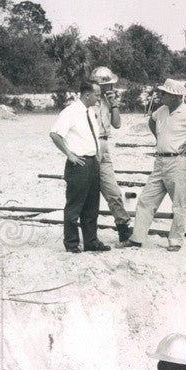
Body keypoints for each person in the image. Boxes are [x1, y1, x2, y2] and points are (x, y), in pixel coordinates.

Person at [122, 79, 186, 252]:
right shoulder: (162, 110)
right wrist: (158, 138)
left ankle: (175, 241)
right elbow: (152, 120)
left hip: (177, 163)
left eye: (164, 93)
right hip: (160, 162)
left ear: (174, 96)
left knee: (179, 204)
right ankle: (137, 238)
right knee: (146, 200)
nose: (161, 95)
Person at [49, 87, 111, 253]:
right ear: (87, 94)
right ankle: (71, 243)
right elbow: (55, 134)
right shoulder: (70, 111)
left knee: (92, 207)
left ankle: (91, 241)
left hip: (92, 162)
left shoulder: (90, 111)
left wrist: (96, 155)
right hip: (79, 164)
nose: (99, 98)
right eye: (97, 95)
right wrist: (69, 154)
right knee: (74, 206)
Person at [90, 66, 133, 243]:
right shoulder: (88, 102)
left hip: (104, 145)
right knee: (88, 194)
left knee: (112, 191)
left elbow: (117, 124)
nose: (111, 88)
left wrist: (114, 104)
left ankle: (123, 228)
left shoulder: (109, 102)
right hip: (89, 145)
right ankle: (88, 234)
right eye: (108, 85)